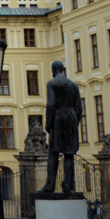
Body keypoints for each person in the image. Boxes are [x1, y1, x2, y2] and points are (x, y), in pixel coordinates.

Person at [40, 60, 84, 193]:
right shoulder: (73, 85)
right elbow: (79, 108)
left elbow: (51, 104)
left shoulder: (52, 84)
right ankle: (69, 186)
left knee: (53, 153)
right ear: (63, 70)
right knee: (69, 154)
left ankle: (50, 186)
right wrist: (75, 123)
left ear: (53, 70)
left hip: (58, 118)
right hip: (71, 118)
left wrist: (48, 124)